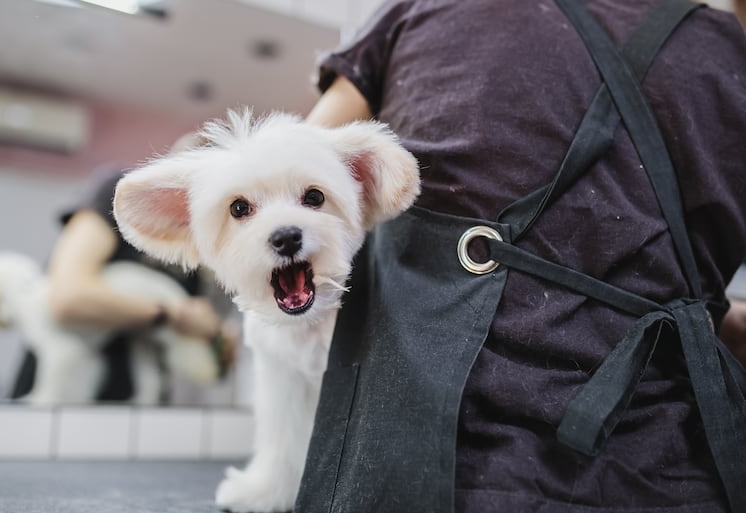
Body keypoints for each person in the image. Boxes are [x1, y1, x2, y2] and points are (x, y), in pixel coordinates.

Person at [296, 1, 746, 512]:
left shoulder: (426, 7)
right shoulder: (728, 47)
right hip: (678, 474)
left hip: (432, 472)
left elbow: (292, 177)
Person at [12, 155, 236, 403]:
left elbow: (200, 356)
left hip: (139, 413)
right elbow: (68, 299)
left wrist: (217, 343)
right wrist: (173, 315)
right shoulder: (118, 194)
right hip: (58, 404)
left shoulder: (202, 249)